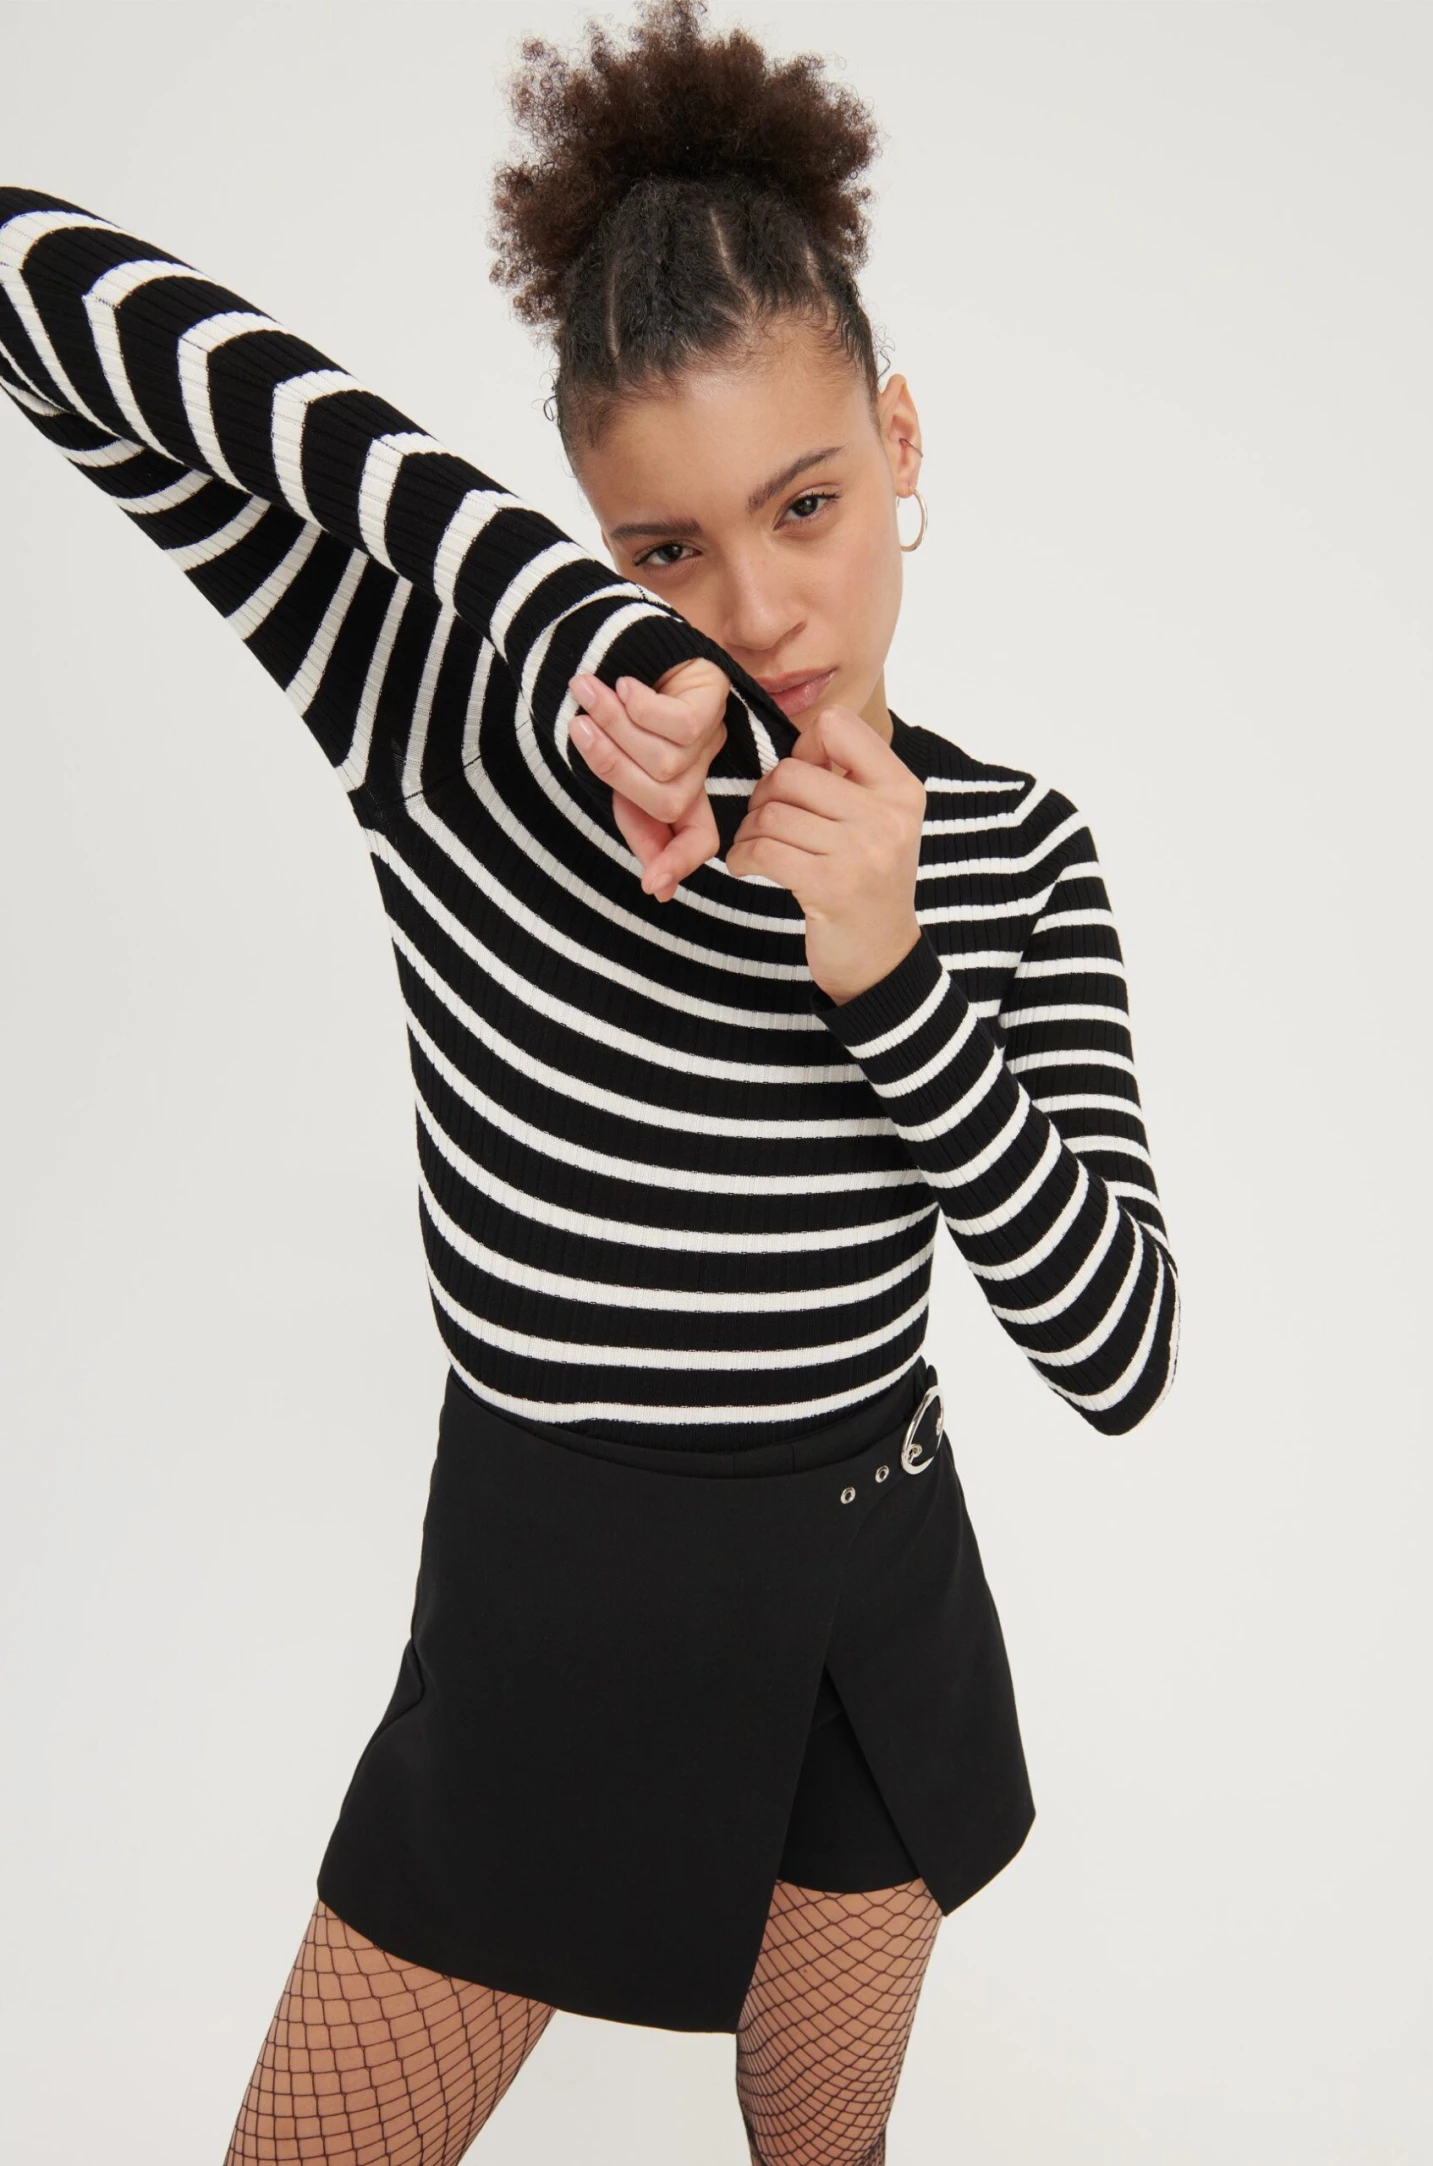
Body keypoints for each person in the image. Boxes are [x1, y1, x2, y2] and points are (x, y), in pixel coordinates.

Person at [0, 1, 1179, 2157]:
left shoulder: (1015, 853)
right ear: (592, 534)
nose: (765, 610)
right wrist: (572, 628)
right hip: (551, 1633)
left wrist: (890, 971)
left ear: (901, 440)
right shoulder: (455, 725)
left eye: (808, 502)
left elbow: (1120, 1351)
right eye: (670, 548)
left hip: (868, 1626)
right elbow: (38, 289)